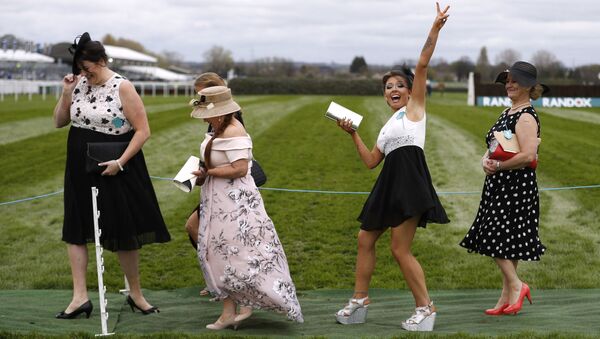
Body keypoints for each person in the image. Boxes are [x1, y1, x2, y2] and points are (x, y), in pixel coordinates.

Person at [335, 3, 450, 332]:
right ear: (385, 96)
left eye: (400, 85)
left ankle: (426, 309)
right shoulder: (388, 125)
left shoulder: (415, 109)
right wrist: (354, 134)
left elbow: (423, 63)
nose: (394, 90)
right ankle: (359, 300)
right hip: (387, 183)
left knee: (400, 249)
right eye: (388, 87)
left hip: (410, 183)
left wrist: (435, 29)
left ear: (410, 90)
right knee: (364, 238)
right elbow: (372, 162)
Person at [52, 32, 170, 319]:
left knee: (122, 229)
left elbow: (143, 131)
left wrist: (120, 162)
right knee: (77, 229)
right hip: (79, 163)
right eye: (80, 68)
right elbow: (59, 122)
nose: (84, 73)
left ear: (102, 60)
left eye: (87, 67)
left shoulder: (123, 87)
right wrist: (67, 92)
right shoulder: (77, 83)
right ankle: (79, 297)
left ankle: (136, 294)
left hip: (114, 165)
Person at [190, 86, 303, 329]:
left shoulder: (235, 130)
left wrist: (209, 172)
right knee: (217, 251)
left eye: (208, 113)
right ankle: (228, 310)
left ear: (220, 112)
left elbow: (240, 168)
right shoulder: (217, 128)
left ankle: (254, 301)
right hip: (216, 198)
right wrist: (203, 174)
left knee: (239, 252)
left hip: (236, 202)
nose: (205, 118)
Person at [460, 61, 548, 316]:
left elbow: (529, 155)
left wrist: (497, 165)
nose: (509, 84)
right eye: (507, 80)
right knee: (508, 242)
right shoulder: (507, 113)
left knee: (493, 235)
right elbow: (494, 146)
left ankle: (518, 286)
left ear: (529, 85)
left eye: (514, 80)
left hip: (516, 186)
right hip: (500, 183)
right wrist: (484, 160)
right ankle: (506, 298)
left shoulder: (526, 116)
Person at [183, 72, 244, 297]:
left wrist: (208, 171)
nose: (198, 99)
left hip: (227, 187)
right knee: (200, 229)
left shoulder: (229, 119)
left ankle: (223, 277)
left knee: (200, 229)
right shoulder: (215, 118)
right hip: (215, 184)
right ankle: (218, 276)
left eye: (200, 94)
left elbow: (238, 163)